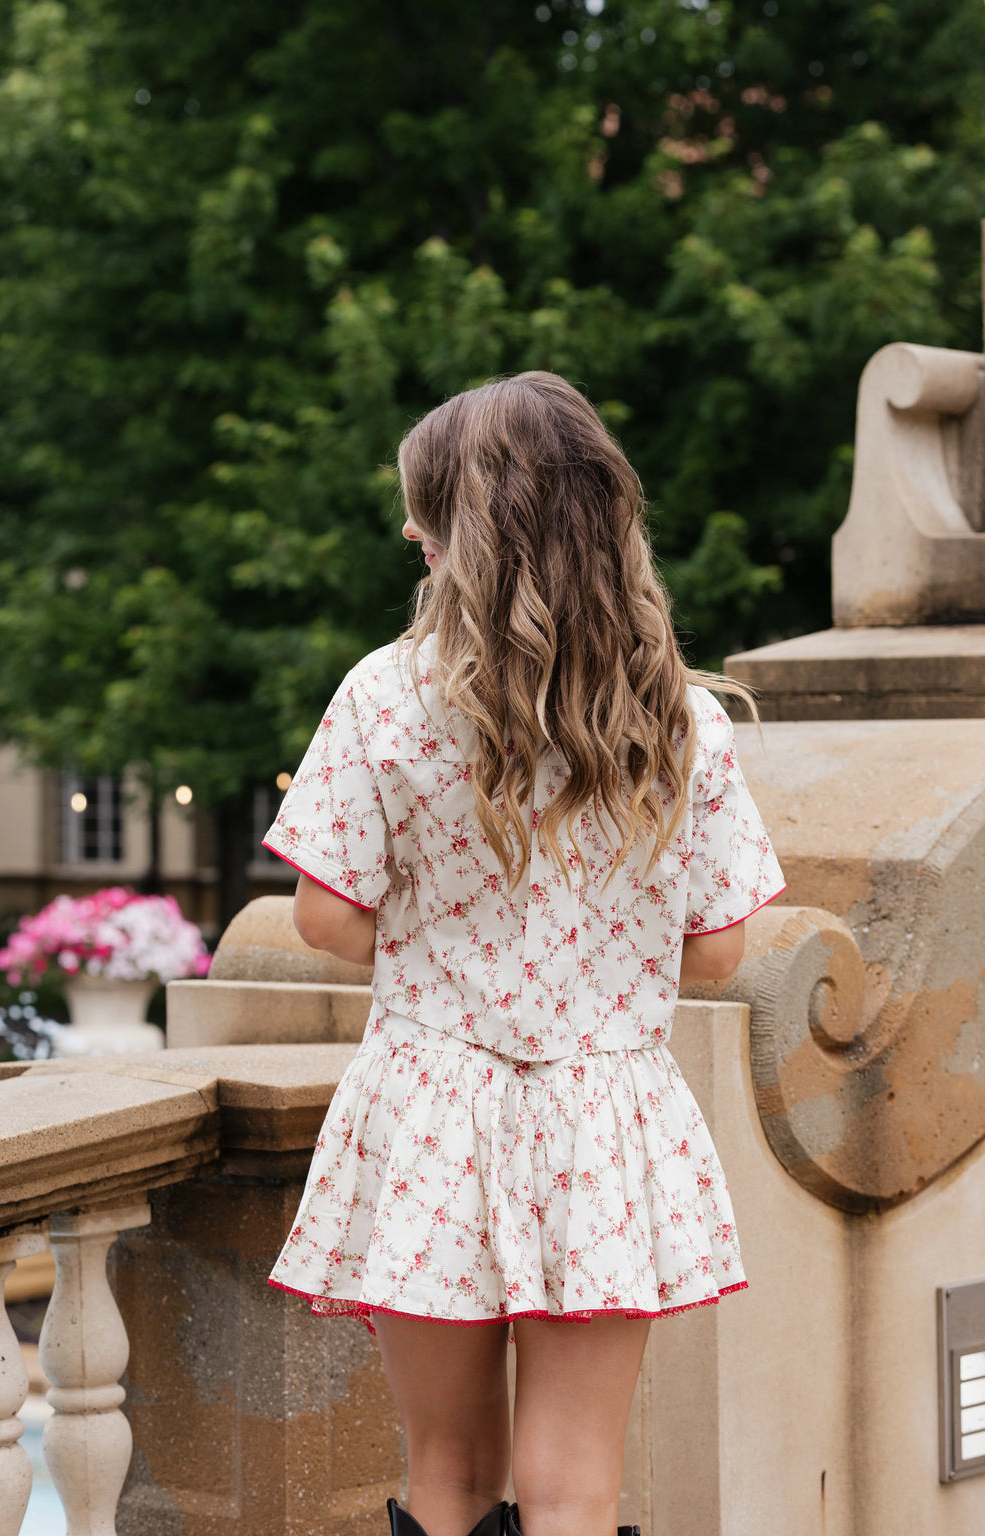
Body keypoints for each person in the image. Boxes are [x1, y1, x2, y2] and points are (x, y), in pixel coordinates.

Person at [263, 372, 785, 1536]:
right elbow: (717, 953)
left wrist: (445, 918)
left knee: (446, 1473)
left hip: (435, 1102)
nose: (407, 530)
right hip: (603, 1116)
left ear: (464, 532)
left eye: (423, 512)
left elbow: (325, 921)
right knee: (574, 1490)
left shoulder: (383, 696)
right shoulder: (677, 717)